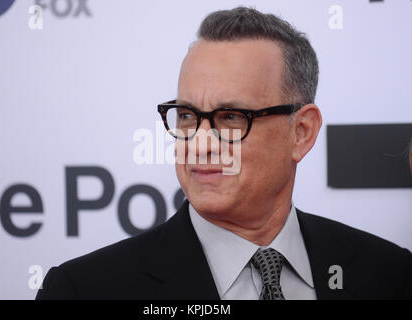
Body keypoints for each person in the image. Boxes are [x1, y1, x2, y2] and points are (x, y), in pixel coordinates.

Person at [36, 7, 411, 300]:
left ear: (302, 132)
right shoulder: (85, 290)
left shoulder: (391, 275)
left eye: (231, 117)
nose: (200, 143)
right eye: (186, 116)